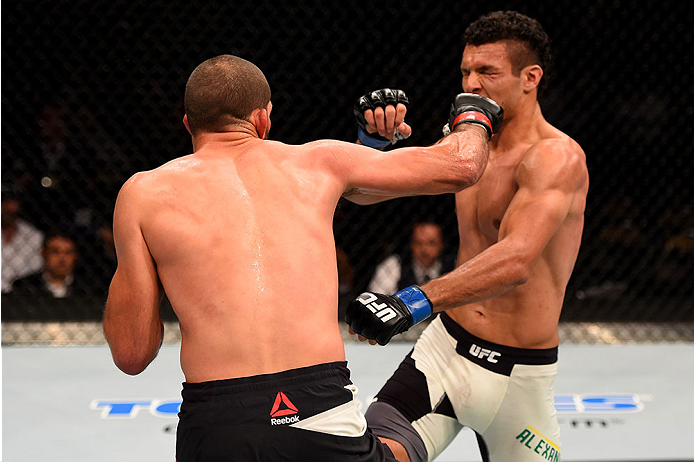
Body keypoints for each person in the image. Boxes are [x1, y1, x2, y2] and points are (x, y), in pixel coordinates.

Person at [101, 54, 502, 461]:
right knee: (400, 437)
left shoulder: (143, 194)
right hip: (320, 406)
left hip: (218, 420)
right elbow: (463, 165)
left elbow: (132, 353)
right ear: (263, 119)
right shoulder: (317, 162)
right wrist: (474, 112)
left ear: (187, 123)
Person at [347, 11, 588, 462]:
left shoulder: (556, 157)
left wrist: (411, 302)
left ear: (530, 77)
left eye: (487, 72)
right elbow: (361, 194)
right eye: (466, 71)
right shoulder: (467, 145)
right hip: (445, 349)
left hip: (516, 376)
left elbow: (515, 260)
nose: (471, 84)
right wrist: (371, 148)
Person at [368, 221, 455, 295]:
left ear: (441, 244)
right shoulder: (394, 264)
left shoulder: (453, 266)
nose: (424, 249)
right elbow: (378, 297)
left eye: (431, 243)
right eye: (419, 243)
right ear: (411, 244)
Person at [1, 185, 44, 294]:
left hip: (21, 296)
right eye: (2, 201)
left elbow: (36, 270)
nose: (6, 206)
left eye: (11, 202)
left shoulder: (34, 237)